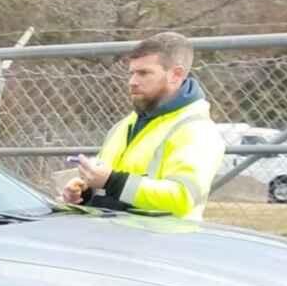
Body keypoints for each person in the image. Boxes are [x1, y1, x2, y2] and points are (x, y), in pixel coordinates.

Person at [61, 31, 226, 220]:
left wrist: (111, 181)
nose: (132, 82)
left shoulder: (197, 131)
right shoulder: (126, 124)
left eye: (144, 73)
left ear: (176, 74)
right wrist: (84, 191)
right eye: (131, 73)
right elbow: (107, 184)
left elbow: (183, 196)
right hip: (112, 236)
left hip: (161, 243)